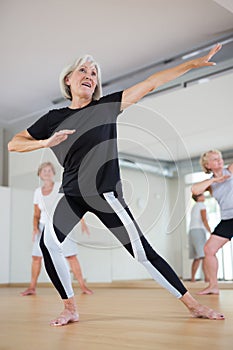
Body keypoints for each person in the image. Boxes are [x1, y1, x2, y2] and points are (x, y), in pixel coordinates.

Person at [8, 43, 225, 326]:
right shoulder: (53, 119)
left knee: (142, 253)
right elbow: (14, 143)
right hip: (72, 194)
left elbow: (150, 83)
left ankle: (193, 304)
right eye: (83, 70)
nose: (90, 75)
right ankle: (70, 307)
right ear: (68, 79)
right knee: (48, 244)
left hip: (105, 195)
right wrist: (44, 142)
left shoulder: (107, 107)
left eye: (94, 73)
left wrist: (190, 65)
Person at [21, 161, 93, 297]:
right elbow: (36, 214)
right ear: (40, 175)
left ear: (53, 173)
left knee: (71, 256)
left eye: (49, 170)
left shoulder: (60, 187)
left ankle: (83, 286)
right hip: (43, 227)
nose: (47, 173)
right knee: (36, 257)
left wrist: (82, 221)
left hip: (62, 226)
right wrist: (35, 229)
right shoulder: (37, 192)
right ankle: (31, 287)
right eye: (44, 171)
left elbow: (73, 204)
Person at [192, 149, 233, 295]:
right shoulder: (210, 184)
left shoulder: (230, 170)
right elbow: (195, 190)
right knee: (209, 250)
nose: (220, 160)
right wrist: (215, 179)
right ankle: (213, 286)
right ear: (207, 165)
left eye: (220, 158)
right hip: (228, 219)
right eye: (215, 159)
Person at [188, 193, 211, 282]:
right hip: (199, 231)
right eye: (202, 195)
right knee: (204, 256)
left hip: (191, 231)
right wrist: (211, 231)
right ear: (198, 197)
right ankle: (207, 278)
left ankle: (193, 279)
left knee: (197, 257)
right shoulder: (201, 205)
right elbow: (204, 219)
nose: (204, 196)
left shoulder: (194, 207)